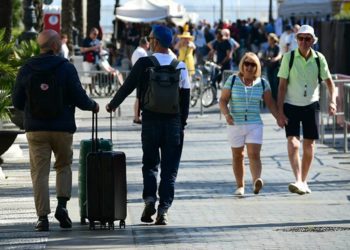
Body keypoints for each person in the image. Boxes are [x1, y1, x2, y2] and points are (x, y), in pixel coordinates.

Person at [12, 29, 99, 231]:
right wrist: (93, 105)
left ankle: (42, 218)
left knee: (39, 173)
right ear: (54, 46)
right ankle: (62, 207)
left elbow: (17, 101)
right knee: (63, 166)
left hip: (35, 129)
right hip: (62, 128)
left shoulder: (27, 68)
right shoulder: (66, 68)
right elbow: (79, 97)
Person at [105, 25, 190, 225]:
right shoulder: (181, 66)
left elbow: (127, 87)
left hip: (150, 121)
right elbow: (185, 99)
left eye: (150, 38)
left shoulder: (144, 63)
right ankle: (163, 210)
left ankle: (150, 200)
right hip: (173, 123)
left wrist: (112, 105)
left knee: (150, 164)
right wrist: (182, 124)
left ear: (156, 42)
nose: (148, 41)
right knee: (170, 169)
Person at [277, 25, 337, 195]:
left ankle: (304, 180)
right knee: (294, 143)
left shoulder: (319, 59)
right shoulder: (288, 58)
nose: (303, 42)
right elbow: (281, 87)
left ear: (313, 41)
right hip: (291, 104)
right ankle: (298, 179)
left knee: (309, 144)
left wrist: (332, 102)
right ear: (296, 40)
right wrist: (279, 112)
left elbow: (330, 84)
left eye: (307, 39)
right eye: (301, 38)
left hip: (311, 105)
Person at [219, 52, 278, 196]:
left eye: (253, 64)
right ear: (242, 65)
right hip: (235, 123)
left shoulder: (262, 83)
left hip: (254, 124)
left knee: (254, 154)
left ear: (257, 67)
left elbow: (270, 104)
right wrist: (226, 114)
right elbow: (222, 100)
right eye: (247, 64)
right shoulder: (232, 80)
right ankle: (240, 186)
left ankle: (256, 180)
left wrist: (280, 118)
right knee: (238, 155)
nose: (249, 67)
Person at [131, 37, 150, 124]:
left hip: (136, 75)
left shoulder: (136, 51)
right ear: (145, 44)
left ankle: (136, 116)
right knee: (140, 98)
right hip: (142, 77)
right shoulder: (142, 52)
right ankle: (137, 117)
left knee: (138, 98)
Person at [80, 27, 102, 96]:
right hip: (87, 61)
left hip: (95, 61)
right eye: (94, 34)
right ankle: (84, 92)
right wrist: (92, 48)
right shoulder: (86, 40)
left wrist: (100, 49)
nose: (96, 35)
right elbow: (82, 50)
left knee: (93, 77)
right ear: (91, 33)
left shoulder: (97, 41)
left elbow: (100, 51)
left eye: (97, 34)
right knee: (87, 76)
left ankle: (92, 91)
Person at [261, 33, 282, 101]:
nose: (268, 41)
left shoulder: (277, 47)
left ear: (273, 40)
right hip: (269, 67)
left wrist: (274, 59)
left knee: (276, 83)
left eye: (269, 39)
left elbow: (279, 55)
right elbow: (264, 55)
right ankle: (273, 99)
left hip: (276, 68)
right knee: (271, 84)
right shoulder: (268, 48)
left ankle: (277, 99)